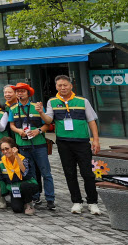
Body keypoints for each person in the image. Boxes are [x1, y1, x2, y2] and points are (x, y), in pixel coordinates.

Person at [44, 75, 101, 215]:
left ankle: (92, 202)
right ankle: (76, 201)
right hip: (64, 143)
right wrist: (41, 112)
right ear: (56, 87)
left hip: (82, 142)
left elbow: (92, 121)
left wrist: (96, 140)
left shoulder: (83, 101)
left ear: (71, 85)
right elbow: (48, 119)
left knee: (87, 174)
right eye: (59, 86)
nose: (62, 88)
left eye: (65, 85)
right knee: (70, 173)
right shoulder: (52, 102)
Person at [8, 82, 54, 210]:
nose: (20, 93)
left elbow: (47, 124)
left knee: (46, 173)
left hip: (39, 145)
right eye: (18, 91)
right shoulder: (12, 109)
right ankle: (35, 196)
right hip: (22, 145)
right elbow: (11, 125)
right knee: (30, 173)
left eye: (22, 91)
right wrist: (19, 131)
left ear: (28, 93)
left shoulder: (37, 107)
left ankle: (50, 199)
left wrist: (37, 131)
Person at [0, 137, 39, 215]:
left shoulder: (23, 159)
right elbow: (1, 178)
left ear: (13, 148)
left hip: (28, 185)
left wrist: (16, 156)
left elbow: (25, 172)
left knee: (24, 186)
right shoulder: (1, 161)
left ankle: (29, 204)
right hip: (15, 189)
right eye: (3, 150)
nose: (5, 151)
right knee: (17, 209)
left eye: (7, 149)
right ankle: (23, 201)